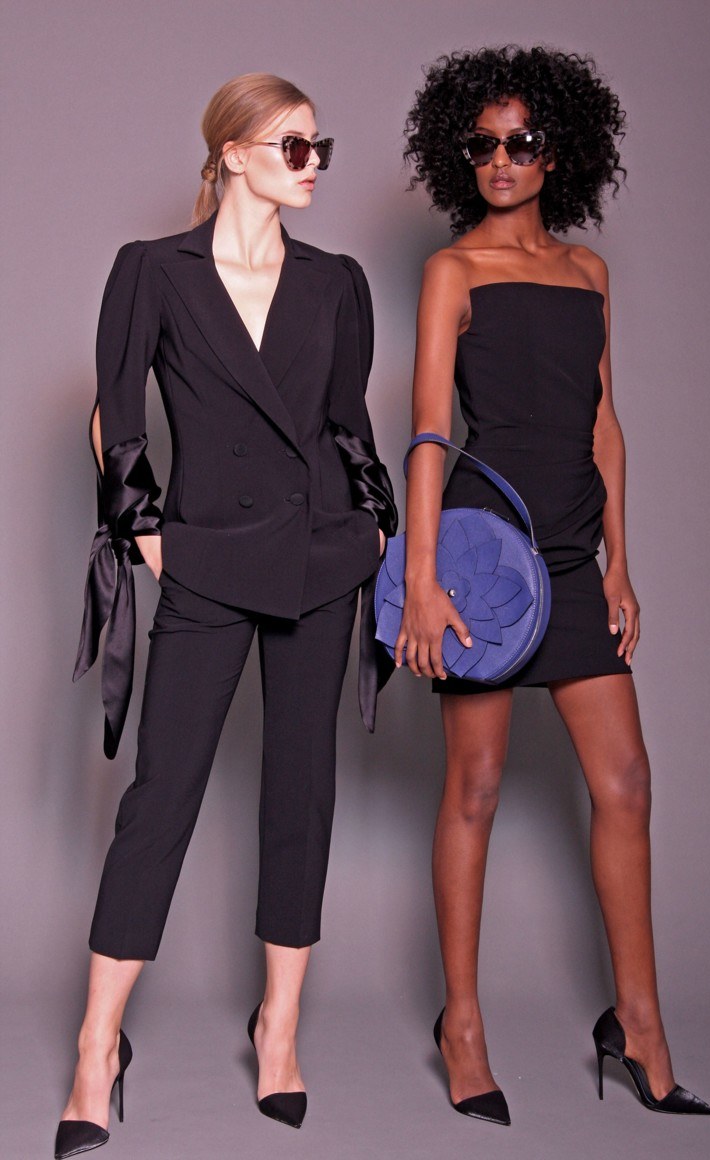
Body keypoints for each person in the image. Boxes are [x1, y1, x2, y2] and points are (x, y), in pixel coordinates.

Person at [56, 72, 397, 1158]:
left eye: (319, 147)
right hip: (206, 559)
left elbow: (347, 423)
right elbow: (116, 416)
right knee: (161, 798)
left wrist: (375, 523)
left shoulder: (337, 283)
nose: (312, 164)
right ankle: (97, 1048)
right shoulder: (153, 270)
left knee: (301, 793)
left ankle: (278, 1030)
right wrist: (147, 532)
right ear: (234, 153)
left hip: (319, 560)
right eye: (293, 146)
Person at [398, 45, 710, 1125]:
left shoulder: (588, 274)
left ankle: (640, 1025)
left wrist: (621, 561)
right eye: (481, 143)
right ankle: (462, 1024)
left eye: (520, 142)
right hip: (484, 559)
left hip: (574, 557)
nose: (499, 159)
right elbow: (427, 431)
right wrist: (423, 579)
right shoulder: (451, 271)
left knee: (624, 782)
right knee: (476, 788)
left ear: (556, 154)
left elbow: (603, 423)